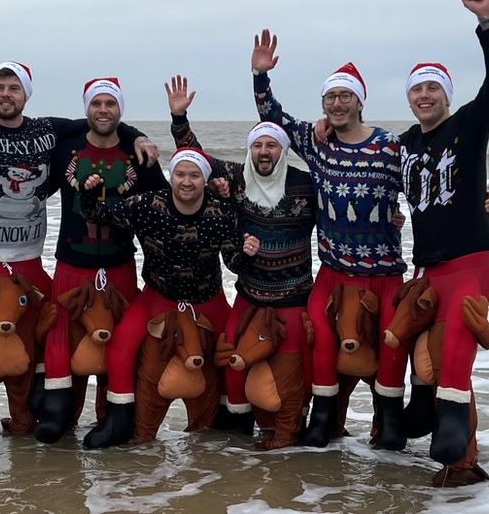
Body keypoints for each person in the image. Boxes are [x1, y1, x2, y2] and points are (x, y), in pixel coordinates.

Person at [0, 14, 155, 441]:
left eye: (14, 88)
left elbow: (100, 123)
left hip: (27, 260)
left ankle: (47, 397)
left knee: (54, 322)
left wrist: (136, 136)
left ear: (26, 94)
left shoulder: (47, 132)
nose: (7, 95)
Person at [377, 0, 489, 487]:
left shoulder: (469, 126)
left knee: (454, 354)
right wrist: (328, 124)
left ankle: (461, 459)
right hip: (427, 269)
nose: (424, 96)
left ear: (446, 95)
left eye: (433, 88)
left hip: (471, 262)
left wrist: (487, 23)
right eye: (417, 90)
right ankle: (430, 438)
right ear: (409, 98)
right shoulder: (404, 143)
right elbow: (366, 164)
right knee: (423, 359)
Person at [251, 29, 407, 448]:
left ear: (360, 102)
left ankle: (389, 422)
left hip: (385, 273)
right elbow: (274, 118)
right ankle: (322, 418)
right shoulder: (318, 145)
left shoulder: (390, 147)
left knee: (391, 346)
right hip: (334, 274)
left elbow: (426, 188)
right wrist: (260, 75)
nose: (337, 104)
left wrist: (475, 198)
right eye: (330, 98)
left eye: (345, 96)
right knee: (318, 337)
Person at [165, 75, 317, 446]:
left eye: (272, 145)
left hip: (295, 298)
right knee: (231, 364)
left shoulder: (305, 186)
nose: (264, 152)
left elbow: (346, 210)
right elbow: (195, 161)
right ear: (250, 151)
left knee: (291, 375)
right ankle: (236, 442)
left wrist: (392, 216)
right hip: (249, 295)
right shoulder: (235, 179)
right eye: (258, 145)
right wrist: (179, 119)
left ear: (283, 150)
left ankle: (288, 433)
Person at [79, 147, 255, 449]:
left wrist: (248, 253)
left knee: (236, 347)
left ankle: (236, 417)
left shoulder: (222, 213)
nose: (187, 182)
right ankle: (119, 416)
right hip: (156, 298)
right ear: (171, 176)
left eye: (195, 175)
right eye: (181, 174)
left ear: (205, 179)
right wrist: (89, 191)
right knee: (120, 344)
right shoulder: (147, 205)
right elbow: (98, 214)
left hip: (207, 300)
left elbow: (233, 264)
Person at [24, 76, 169, 443]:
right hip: (72, 262)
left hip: (119, 263)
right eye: (96, 104)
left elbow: (168, 205)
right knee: (62, 334)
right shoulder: (66, 147)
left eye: (110, 104)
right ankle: (59, 411)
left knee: (116, 338)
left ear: (120, 110)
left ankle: (113, 414)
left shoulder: (139, 154)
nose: (103, 110)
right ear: (86, 108)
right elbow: (33, 186)